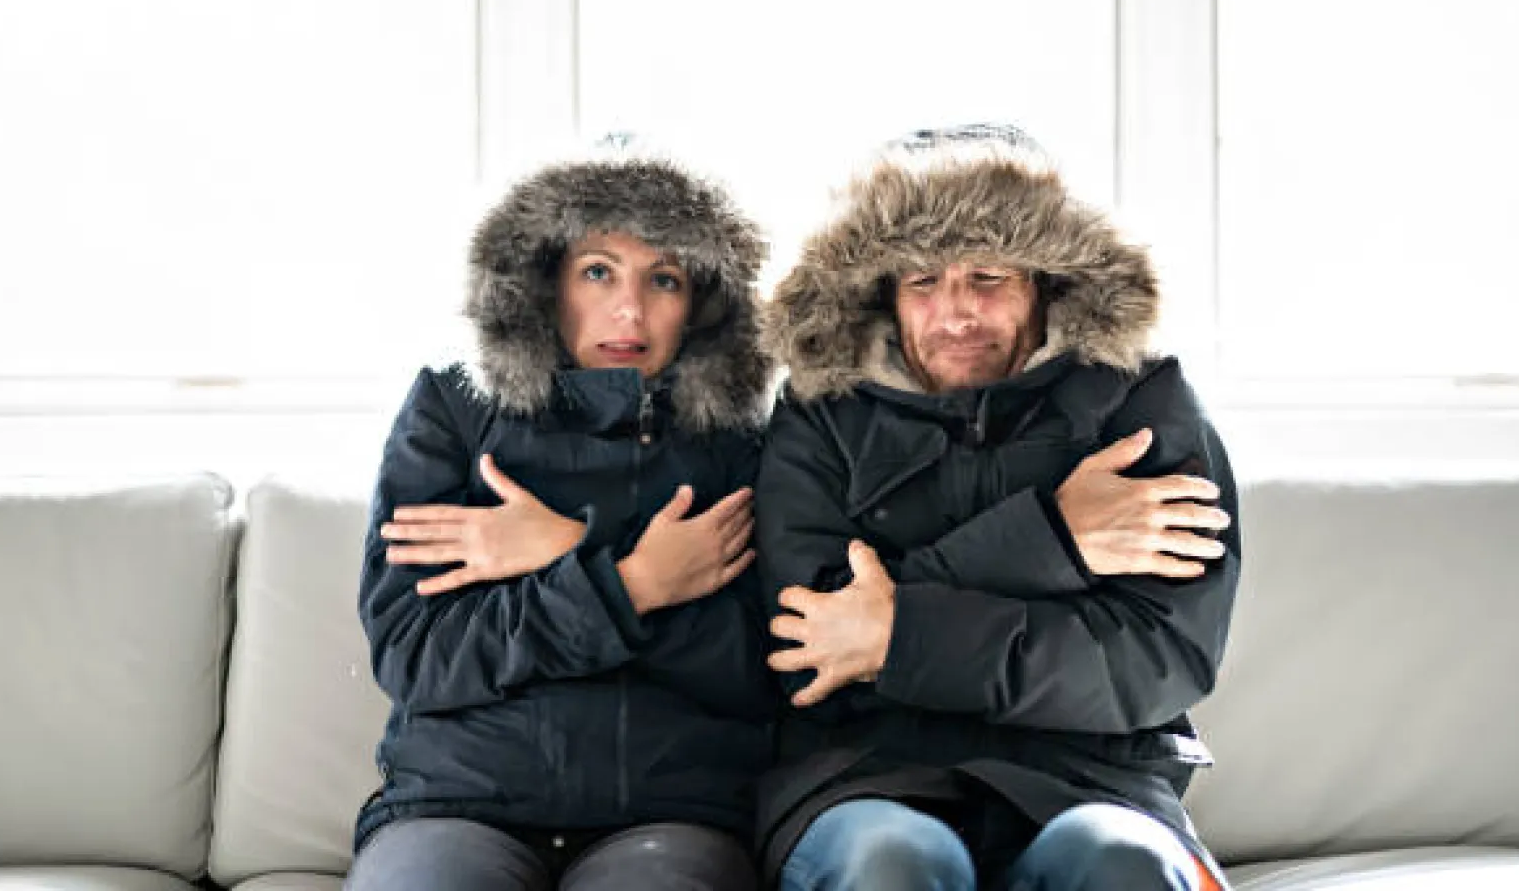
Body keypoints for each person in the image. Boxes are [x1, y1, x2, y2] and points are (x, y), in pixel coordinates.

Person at [753, 124, 1241, 890]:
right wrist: (1050, 541)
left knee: (1123, 861)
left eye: (987, 277)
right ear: (884, 291)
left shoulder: (1142, 402)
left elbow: (1155, 661)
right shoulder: (821, 410)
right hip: (867, 778)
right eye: (922, 283)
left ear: (1046, 281)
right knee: (896, 862)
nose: (955, 314)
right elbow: (809, 646)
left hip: (1096, 780)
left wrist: (896, 633)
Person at [347, 140, 776, 891]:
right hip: (457, 805)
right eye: (598, 271)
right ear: (543, 283)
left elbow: (756, 670)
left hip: (668, 815)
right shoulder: (453, 409)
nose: (629, 309)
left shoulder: (735, 441)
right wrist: (632, 584)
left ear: (702, 303)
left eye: (663, 279)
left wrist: (565, 544)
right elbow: (416, 653)